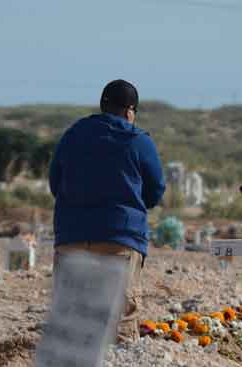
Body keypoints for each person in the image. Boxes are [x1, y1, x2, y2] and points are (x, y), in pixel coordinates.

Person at [50, 79, 166, 342]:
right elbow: (156, 189)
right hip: (120, 240)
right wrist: (132, 207)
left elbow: (55, 182)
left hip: (71, 236)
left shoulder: (73, 134)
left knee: (70, 323)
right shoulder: (138, 140)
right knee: (119, 326)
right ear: (130, 111)